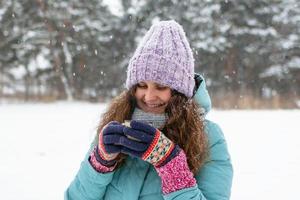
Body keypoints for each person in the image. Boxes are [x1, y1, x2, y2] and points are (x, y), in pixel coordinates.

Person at [65, 20, 233, 200]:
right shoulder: (118, 123)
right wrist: (100, 163)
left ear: (179, 92)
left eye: (160, 87)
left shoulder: (208, 137)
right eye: (142, 85)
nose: (149, 96)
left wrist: (172, 168)